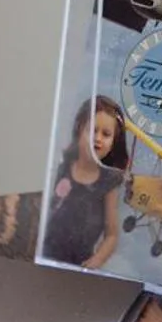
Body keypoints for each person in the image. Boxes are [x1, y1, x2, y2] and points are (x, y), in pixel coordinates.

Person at [42, 95, 130, 268]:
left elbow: (111, 234)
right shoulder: (63, 167)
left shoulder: (108, 183)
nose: (97, 138)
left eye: (106, 134)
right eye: (92, 130)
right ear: (79, 130)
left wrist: (97, 260)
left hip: (80, 264)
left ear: (114, 143)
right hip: (46, 254)